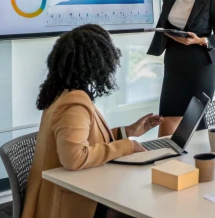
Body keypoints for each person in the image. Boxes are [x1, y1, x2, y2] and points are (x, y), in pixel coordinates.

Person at [23, 24, 163, 218]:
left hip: (71, 189)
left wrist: (128, 132)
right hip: (68, 202)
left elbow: (86, 141)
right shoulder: (73, 104)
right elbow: (74, 158)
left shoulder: (63, 93)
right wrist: (126, 147)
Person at [99, 0, 215, 137]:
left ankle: (199, 163)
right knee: (167, 117)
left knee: (193, 121)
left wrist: (200, 40)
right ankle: (165, 163)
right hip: (175, 62)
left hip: (201, 65)